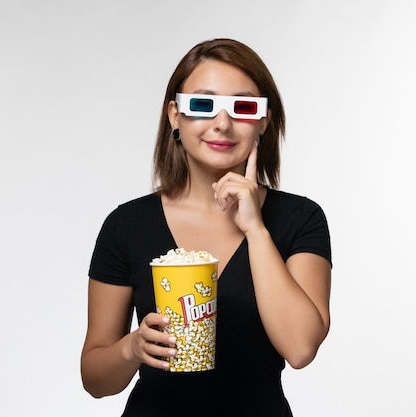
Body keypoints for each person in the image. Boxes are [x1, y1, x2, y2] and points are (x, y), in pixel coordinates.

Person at [81, 38, 332, 417]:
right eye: (202, 105)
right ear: (175, 116)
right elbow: (95, 380)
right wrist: (132, 348)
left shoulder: (300, 218)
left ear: (263, 121)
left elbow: (300, 348)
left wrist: (256, 230)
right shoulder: (126, 225)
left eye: (243, 107)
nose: (223, 124)